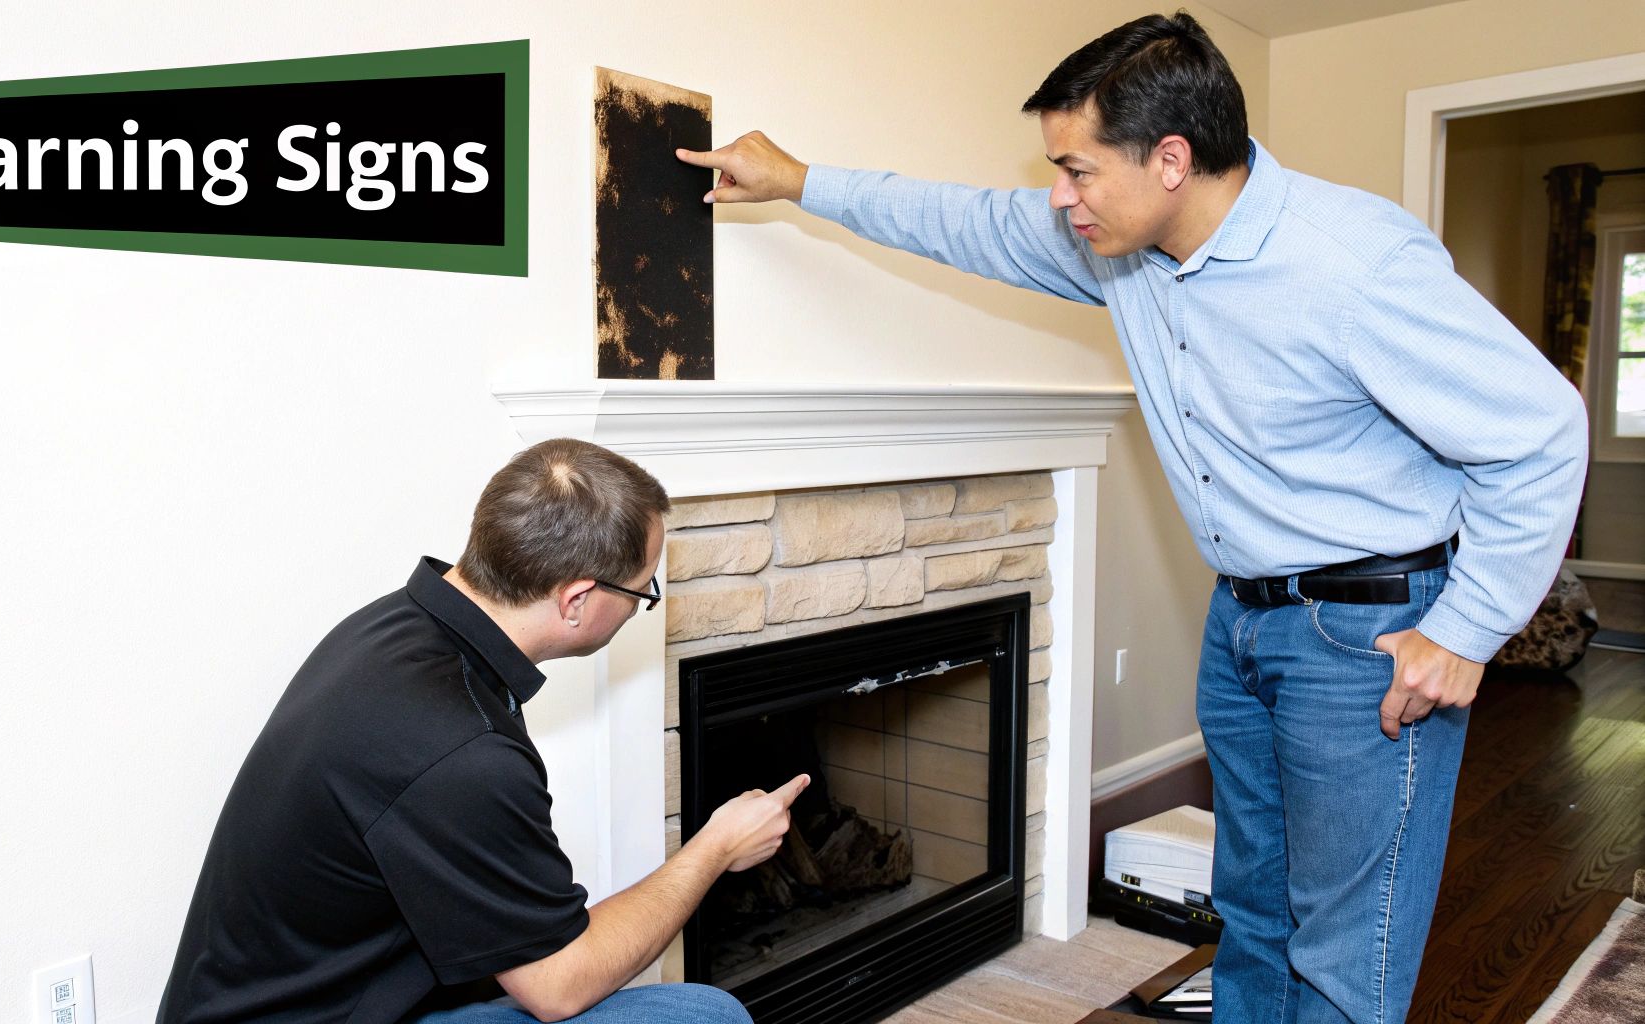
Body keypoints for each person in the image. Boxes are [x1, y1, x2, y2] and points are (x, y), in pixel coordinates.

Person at [677, 13, 1586, 1024]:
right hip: (1240, 621)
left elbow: (1541, 432)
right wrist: (798, 179)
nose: (1058, 197)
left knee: (1344, 946)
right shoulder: (1122, 248)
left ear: (1170, 160)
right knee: (1251, 912)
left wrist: (1465, 631)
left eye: (1076, 171)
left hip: (1367, 634)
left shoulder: (1352, 263)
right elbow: (961, 220)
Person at [158, 437, 806, 1024]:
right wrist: (715, 846)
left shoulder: (397, 626)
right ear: (577, 599)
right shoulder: (463, 750)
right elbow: (558, 988)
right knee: (706, 1016)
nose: (641, 605)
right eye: (642, 592)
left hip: (306, 995)